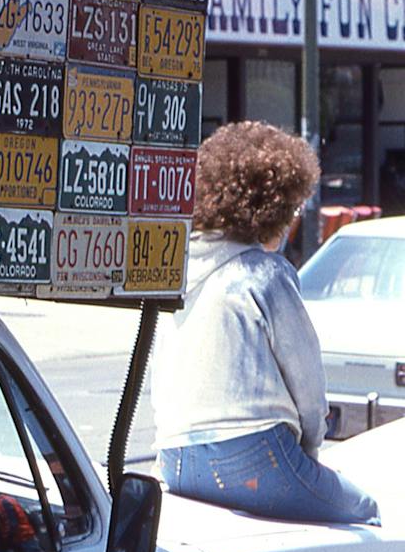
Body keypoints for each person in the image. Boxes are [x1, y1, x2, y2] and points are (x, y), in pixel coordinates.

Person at [153, 121, 379, 525]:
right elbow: (307, 384)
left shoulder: (178, 272)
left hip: (174, 458)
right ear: (270, 209)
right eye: (291, 209)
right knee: (364, 510)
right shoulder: (265, 273)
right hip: (255, 456)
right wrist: (311, 452)